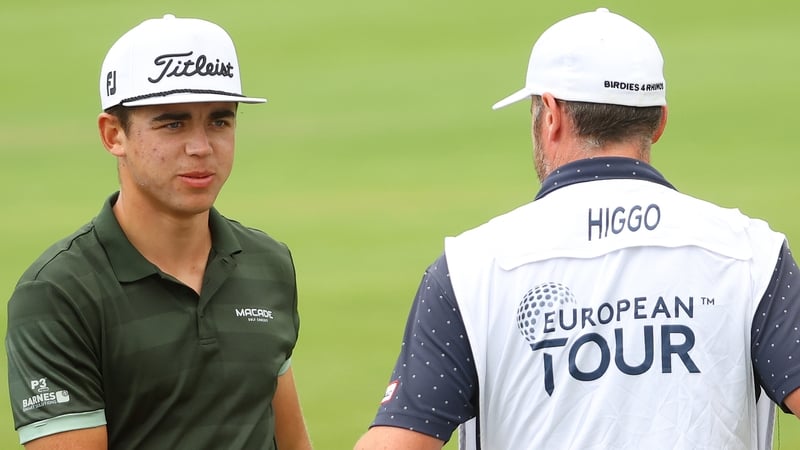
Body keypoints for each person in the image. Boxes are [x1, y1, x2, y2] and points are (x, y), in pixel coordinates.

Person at [354, 7, 800, 450]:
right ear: (659, 120)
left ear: (550, 114)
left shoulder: (471, 268)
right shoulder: (752, 255)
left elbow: (400, 442)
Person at [5, 14, 312, 450]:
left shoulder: (268, 263)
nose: (201, 146)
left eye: (220, 121)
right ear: (114, 134)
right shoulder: (57, 294)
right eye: (173, 123)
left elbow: (293, 442)